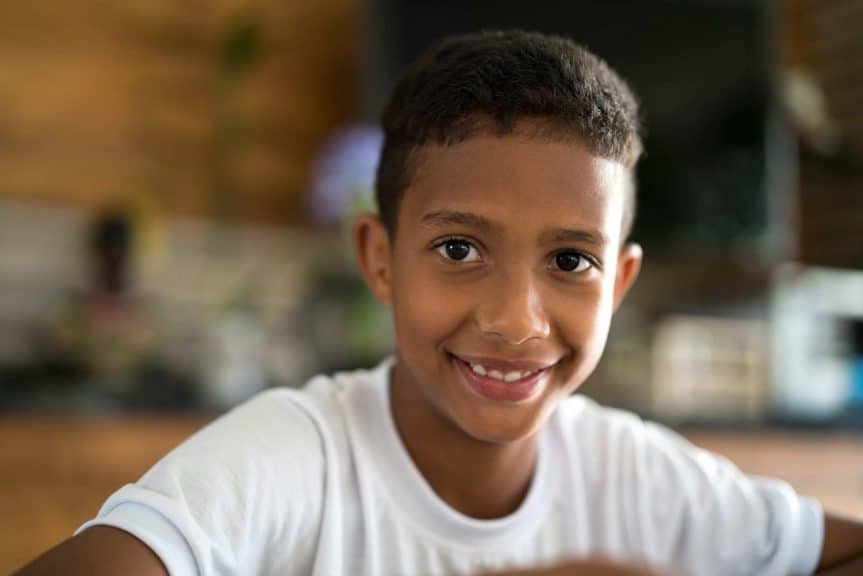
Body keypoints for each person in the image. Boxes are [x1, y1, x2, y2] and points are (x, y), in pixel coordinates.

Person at [16, 30, 863, 576]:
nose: (515, 320)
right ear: (378, 259)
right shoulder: (293, 459)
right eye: (459, 249)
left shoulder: (638, 476)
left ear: (619, 283)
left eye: (570, 260)